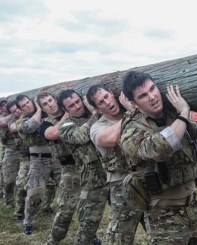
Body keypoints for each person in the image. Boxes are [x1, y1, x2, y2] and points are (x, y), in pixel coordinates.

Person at [119, 71, 197, 244]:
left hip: (193, 203)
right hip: (162, 212)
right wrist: (183, 113)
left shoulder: (171, 114)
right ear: (134, 103)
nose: (152, 97)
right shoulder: (130, 130)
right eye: (143, 95)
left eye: (153, 89)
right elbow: (159, 148)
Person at [87, 85, 146, 244]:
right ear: (98, 109)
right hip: (122, 185)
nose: (107, 102)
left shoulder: (135, 112)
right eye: (101, 102)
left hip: (148, 177)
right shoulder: (97, 127)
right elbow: (112, 138)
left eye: (107, 96)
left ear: (113, 94)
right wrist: (131, 112)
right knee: (119, 237)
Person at [57, 89, 106, 245]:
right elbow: (81, 136)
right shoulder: (65, 126)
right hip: (91, 176)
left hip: (112, 169)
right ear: (66, 110)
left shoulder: (95, 114)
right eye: (72, 105)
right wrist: (95, 115)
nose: (77, 106)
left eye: (78, 101)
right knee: (88, 222)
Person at [33, 92, 79, 245]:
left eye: (50, 100)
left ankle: (90, 236)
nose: (50, 104)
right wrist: (67, 114)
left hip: (90, 164)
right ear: (42, 108)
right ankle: (52, 241)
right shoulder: (45, 123)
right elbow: (53, 133)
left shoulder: (75, 110)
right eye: (45, 104)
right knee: (65, 210)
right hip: (69, 169)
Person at [15, 94, 61, 235]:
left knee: (68, 190)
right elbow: (30, 127)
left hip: (57, 158)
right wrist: (39, 109)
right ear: (21, 109)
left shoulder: (50, 113)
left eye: (28, 102)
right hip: (38, 160)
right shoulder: (22, 121)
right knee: (35, 193)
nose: (28, 106)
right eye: (24, 105)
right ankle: (28, 221)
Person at [7, 101, 30, 222]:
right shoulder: (13, 122)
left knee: (51, 185)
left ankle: (46, 206)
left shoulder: (30, 116)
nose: (17, 112)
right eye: (14, 111)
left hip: (42, 157)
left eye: (18, 109)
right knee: (21, 185)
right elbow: (17, 128)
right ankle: (19, 213)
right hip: (25, 158)